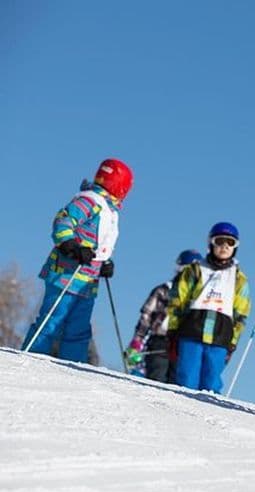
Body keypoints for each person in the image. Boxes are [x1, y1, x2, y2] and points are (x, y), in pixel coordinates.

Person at [22, 159, 134, 363]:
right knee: (53, 320)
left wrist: (105, 262)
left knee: (79, 328)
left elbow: (101, 242)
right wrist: (71, 246)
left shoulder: (110, 210)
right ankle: (32, 359)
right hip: (66, 275)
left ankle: (72, 367)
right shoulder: (89, 200)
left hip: (87, 283)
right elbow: (63, 221)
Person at [166, 223, 251, 393]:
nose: (224, 247)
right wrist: (173, 328)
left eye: (230, 243)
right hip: (193, 328)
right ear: (211, 243)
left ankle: (209, 411)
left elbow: (241, 312)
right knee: (187, 376)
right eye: (220, 241)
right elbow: (177, 299)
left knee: (211, 379)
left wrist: (233, 340)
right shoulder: (195, 270)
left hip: (221, 333)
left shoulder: (239, 278)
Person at [125, 249, 203, 382]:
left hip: (183, 345)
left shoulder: (199, 297)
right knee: (157, 378)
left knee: (179, 382)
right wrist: (136, 343)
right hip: (160, 342)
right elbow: (146, 316)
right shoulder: (164, 290)